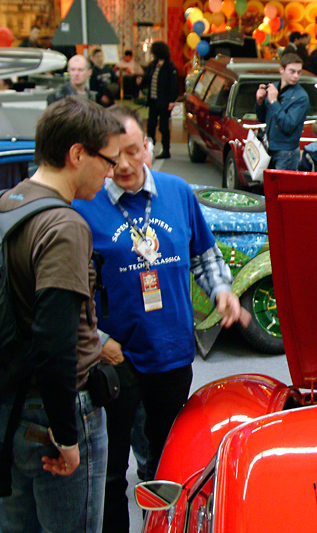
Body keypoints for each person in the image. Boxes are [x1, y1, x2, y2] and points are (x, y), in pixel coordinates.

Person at [71, 105, 248, 533]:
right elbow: (72, 293)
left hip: (171, 352)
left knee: (168, 464)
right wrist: (99, 342)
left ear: (148, 146)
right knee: (110, 472)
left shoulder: (177, 192)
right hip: (116, 360)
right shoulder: (85, 204)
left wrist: (222, 290)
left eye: (133, 151)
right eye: (114, 156)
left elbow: (204, 255)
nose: (124, 165)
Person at [0, 96, 124, 533]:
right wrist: (67, 434)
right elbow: (55, 339)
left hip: (13, 403)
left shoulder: (10, 202)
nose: (111, 172)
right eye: (108, 160)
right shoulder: (64, 226)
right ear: (77, 154)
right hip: (58, 411)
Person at [255, 53, 310, 171]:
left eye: (299, 72)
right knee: (267, 182)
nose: (296, 76)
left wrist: (274, 102)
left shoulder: (301, 97)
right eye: (292, 71)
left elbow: (288, 125)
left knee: (283, 183)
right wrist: (260, 102)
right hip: (269, 147)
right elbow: (262, 118)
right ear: (281, 70)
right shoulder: (273, 88)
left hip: (287, 153)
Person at [141, 41, 179, 159]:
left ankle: (166, 150)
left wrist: (172, 100)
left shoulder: (170, 67)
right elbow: (146, 78)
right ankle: (149, 148)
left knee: (163, 126)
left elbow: (174, 85)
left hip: (165, 102)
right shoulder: (153, 65)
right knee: (151, 125)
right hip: (153, 100)